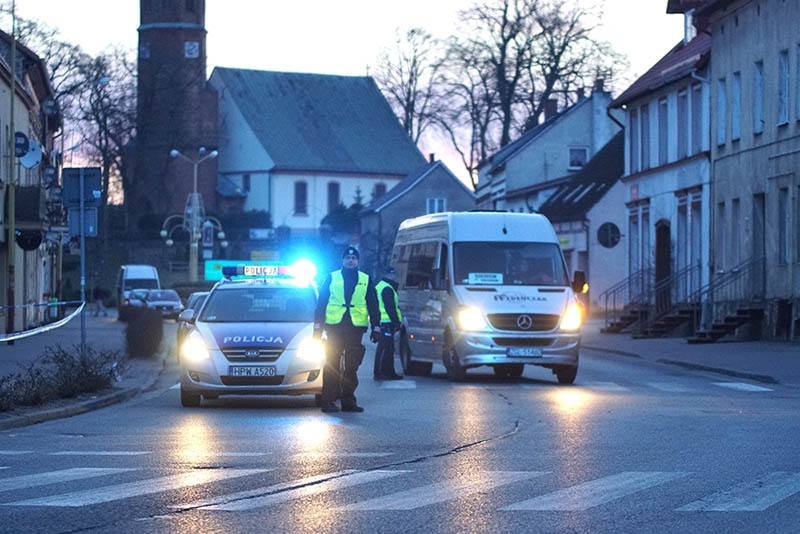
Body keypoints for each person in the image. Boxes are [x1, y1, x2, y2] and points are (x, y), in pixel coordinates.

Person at [314, 246, 380, 413]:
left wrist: (376, 327)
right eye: (348, 258)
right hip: (335, 327)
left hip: (355, 328)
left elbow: (373, 303)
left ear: (358, 261)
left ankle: (348, 402)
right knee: (332, 364)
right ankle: (328, 401)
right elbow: (321, 304)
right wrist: (317, 329)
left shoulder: (365, 279)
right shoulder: (331, 278)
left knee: (352, 365)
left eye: (354, 258)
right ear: (342, 260)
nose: (351, 261)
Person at [373, 266, 404, 380]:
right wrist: (396, 322)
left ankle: (387, 372)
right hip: (387, 323)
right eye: (392, 274)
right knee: (385, 348)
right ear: (388, 275)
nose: (394, 277)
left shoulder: (381, 286)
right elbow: (390, 307)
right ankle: (382, 373)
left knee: (386, 348)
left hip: (383, 323)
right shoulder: (387, 288)